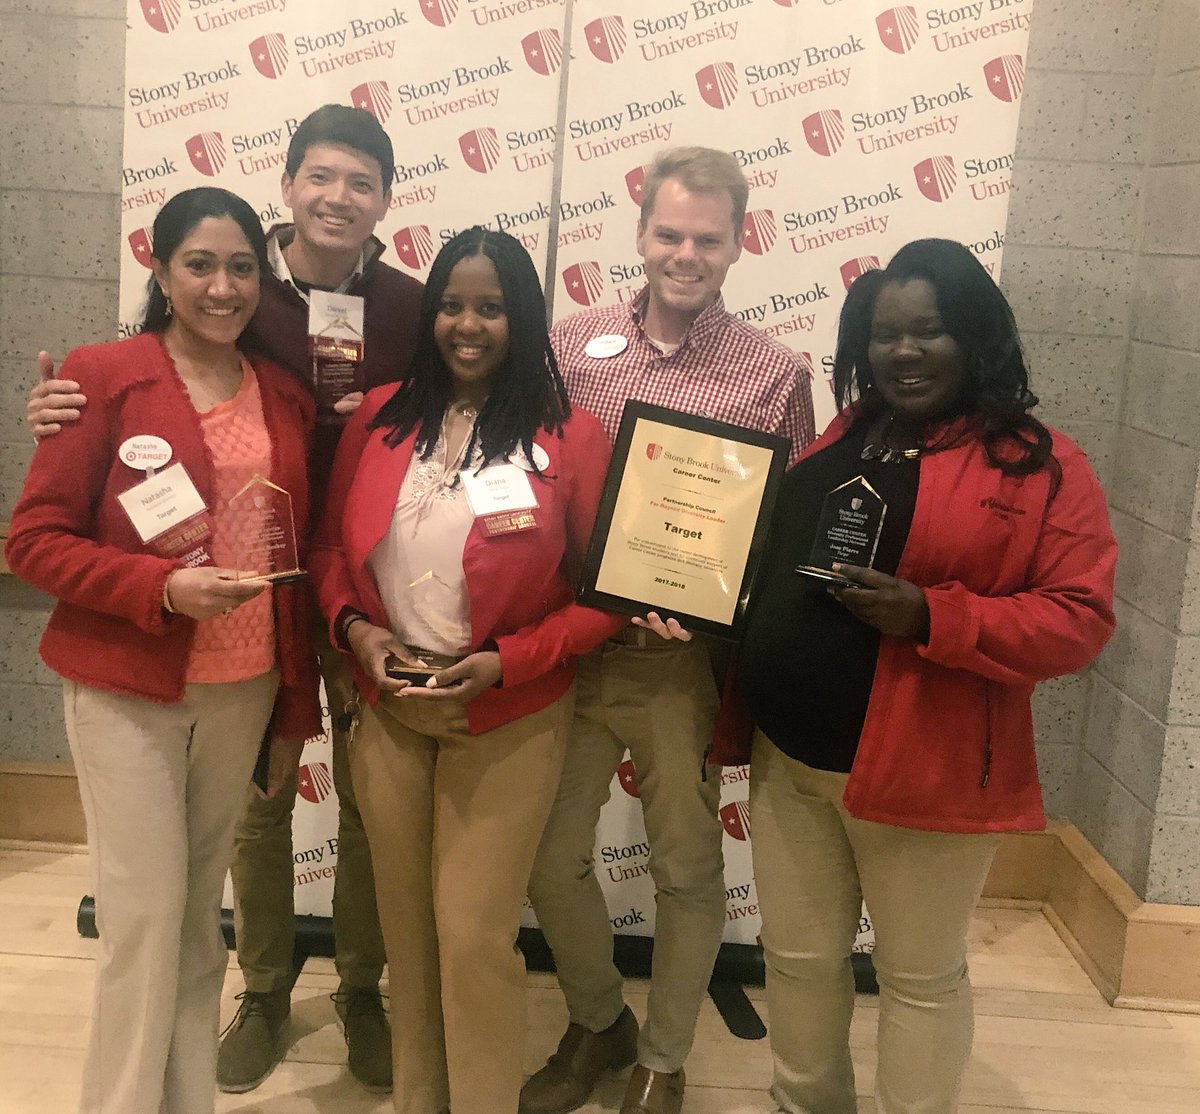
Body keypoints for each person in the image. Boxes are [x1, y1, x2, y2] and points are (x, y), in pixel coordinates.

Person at [25, 104, 423, 1095]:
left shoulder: (409, 310)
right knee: (212, 860)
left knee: (353, 820)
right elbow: (67, 496)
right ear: (286, 186)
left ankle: (356, 994)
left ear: (384, 201)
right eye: (320, 176)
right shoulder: (166, 337)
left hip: (350, 602)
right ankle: (265, 992)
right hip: (191, 637)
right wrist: (59, 403)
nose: (222, 285)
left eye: (360, 181)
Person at [731, 239, 1117, 1114]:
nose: (902, 352)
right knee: (796, 960)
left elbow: (1079, 620)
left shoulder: (1041, 465)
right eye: (883, 334)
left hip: (928, 770)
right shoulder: (844, 437)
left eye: (930, 332)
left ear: (974, 337)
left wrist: (935, 614)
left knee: (918, 977)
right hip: (790, 765)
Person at [5, 187, 322, 1114]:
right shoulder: (104, 375)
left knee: (194, 927)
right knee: (142, 923)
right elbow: (32, 541)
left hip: (241, 687)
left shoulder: (285, 395)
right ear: (160, 268)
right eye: (200, 264)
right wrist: (161, 589)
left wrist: (292, 700)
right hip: (127, 691)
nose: (222, 287)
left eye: (241, 268)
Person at [520, 146, 815, 1114]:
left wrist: (712, 591)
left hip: (680, 668)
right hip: (570, 650)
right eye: (669, 234)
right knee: (546, 855)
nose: (685, 255)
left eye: (708, 238)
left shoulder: (774, 374)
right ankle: (599, 1017)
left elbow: (778, 526)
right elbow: (539, 482)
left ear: (739, 243)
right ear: (641, 232)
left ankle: (665, 1053)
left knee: (689, 868)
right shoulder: (572, 348)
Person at [310, 226, 625, 1114]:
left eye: (490, 306)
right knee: (407, 936)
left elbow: (607, 594)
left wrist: (509, 661)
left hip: (509, 709)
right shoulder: (376, 417)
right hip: (391, 703)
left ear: (521, 317)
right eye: (451, 303)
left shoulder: (571, 434)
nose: (467, 324)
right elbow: (333, 545)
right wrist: (355, 633)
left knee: (473, 932)